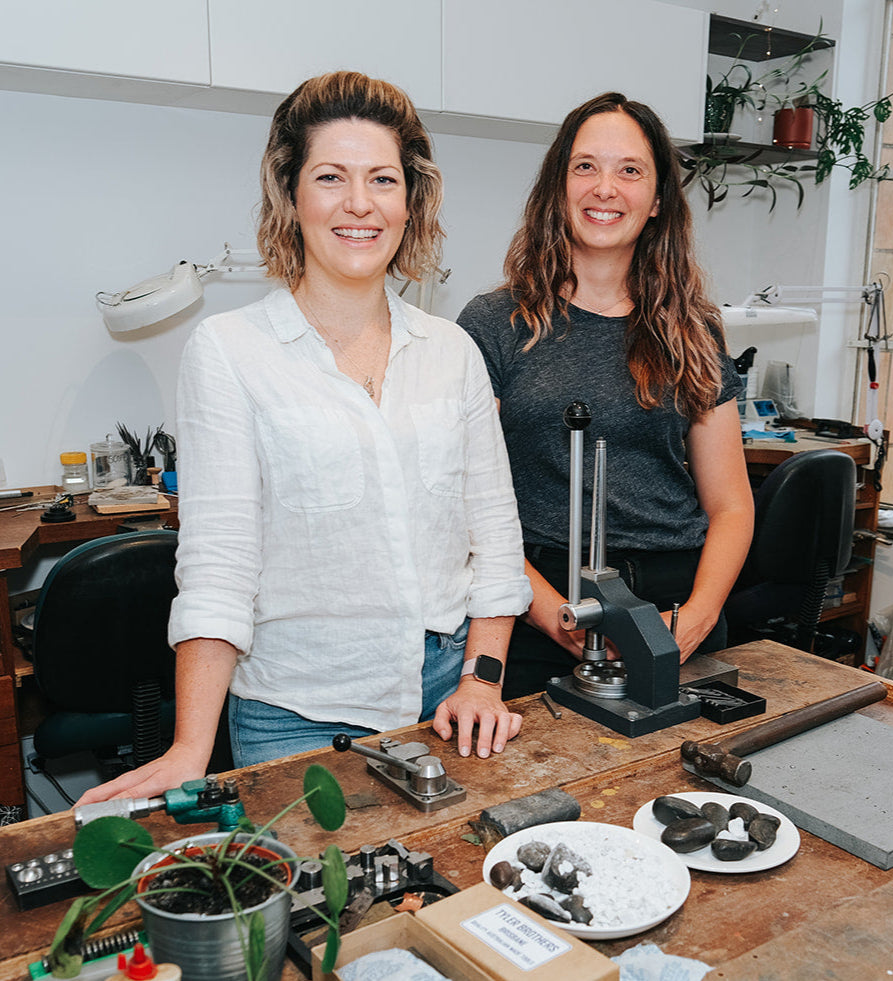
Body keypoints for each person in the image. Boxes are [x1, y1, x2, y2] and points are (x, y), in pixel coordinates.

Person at [78, 71, 531, 805]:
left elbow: (496, 542)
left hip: (451, 706)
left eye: (383, 179)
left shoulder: (452, 352)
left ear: (410, 202)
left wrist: (483, 679)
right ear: (290, 196)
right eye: (331, 177)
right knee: (329, 917)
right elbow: (219, 566)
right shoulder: (229, 350)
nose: (360, 203)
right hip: (298, 718)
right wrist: (191, 747)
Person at [458, 92, 754, 701]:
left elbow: (730, 505)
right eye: (585, 166)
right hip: (536, 610)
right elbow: (466, 507)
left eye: (630, 170)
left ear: (657, 201)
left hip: (675, 607)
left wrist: (692, 621)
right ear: (556, 188)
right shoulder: (494, 324)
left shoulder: (691, 328)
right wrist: (553, 617)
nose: (605, 188)